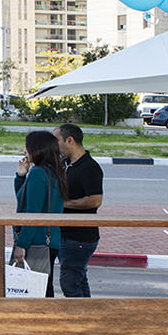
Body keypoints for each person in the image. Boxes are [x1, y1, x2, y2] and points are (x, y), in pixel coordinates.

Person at [9, 130, 66, 335]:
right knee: (46, 294)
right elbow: (26, 201)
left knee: (36, 297)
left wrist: (21, 245)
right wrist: (20, 177)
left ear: (37, 149)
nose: (25, 151)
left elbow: (30, 213)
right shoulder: (54, 172)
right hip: (50, 241)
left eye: (27, 147)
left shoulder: (39, 174)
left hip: (36, 241)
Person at [55, 123, 103, 300]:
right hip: (67, 234)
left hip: (79, 236)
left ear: (70, 140)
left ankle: (79, 314)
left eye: (57, 141)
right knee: (79, 280)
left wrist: (63, 205)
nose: (54, 146)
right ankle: (88, 312)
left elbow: (95, 200)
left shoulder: (89, 167)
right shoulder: (66, 164)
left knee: (69, 283)